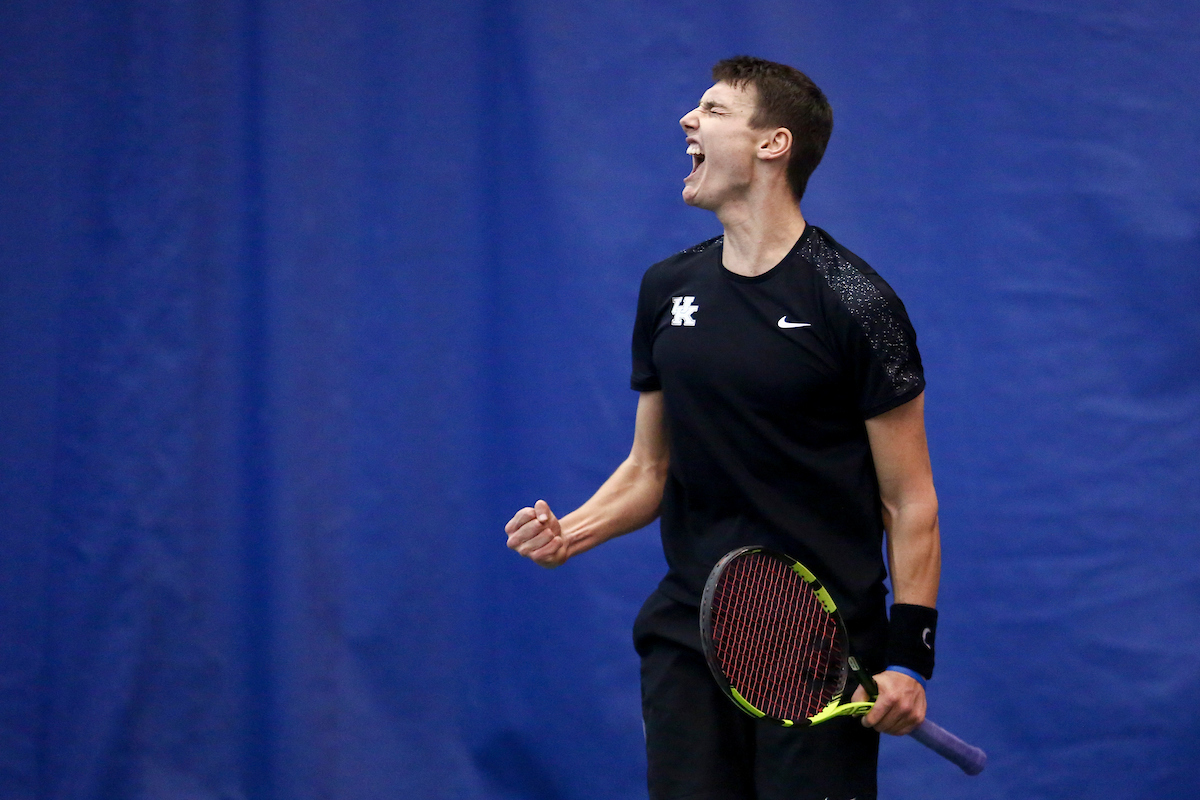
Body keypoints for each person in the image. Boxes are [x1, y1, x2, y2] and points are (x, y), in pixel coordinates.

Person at [504, 55, 941, 800]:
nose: (687, 120)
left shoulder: (858, 302)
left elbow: (909, 502)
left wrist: (908, 661)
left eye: (712, 109)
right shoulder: (667, 288)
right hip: (690, 626)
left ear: (773, 144)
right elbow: (649, 469)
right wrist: (571, 532)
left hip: (818, 644)